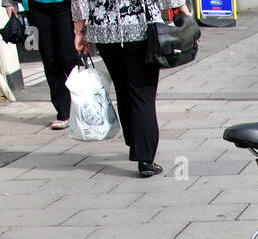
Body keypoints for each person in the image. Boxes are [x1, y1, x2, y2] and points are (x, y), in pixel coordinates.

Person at [70, 0, 191, 177]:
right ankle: (145, 158)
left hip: (105, 29)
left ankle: (134, 142)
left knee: (123, 88)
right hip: (142, 25)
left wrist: (79, 30)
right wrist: (180, 8)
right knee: (142, 93)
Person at [3, 0, 83, 130]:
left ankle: (84, 106)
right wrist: (9, 2)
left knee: (68, 57)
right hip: (36, 7)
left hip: (64, 5)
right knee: (49, 59)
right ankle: (64, 113)